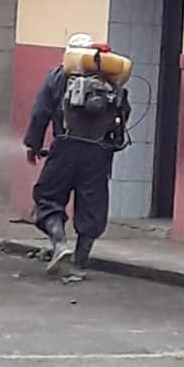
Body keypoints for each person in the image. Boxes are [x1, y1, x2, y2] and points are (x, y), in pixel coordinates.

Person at [23, 33, 131, 275]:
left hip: (65, 147)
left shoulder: (56, 77)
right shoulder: (111, 81)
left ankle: (60, 243)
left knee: (48, 197)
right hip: (98, 153)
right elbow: (123, 114)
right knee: (92, 206)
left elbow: (40, 113)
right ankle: (79, 263)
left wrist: (33, 144)